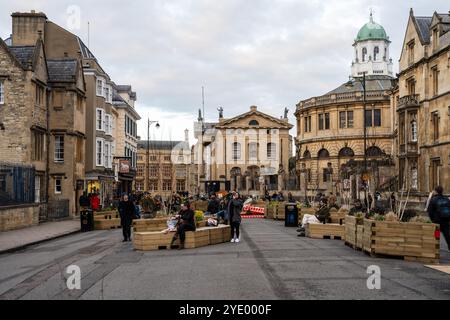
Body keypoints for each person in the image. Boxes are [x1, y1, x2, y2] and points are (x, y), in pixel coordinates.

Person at [427, 186, 450, 251]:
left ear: (436, 191)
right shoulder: (446, 199)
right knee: (447, 236)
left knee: (436, 235)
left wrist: (433, 220)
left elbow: (430, 211)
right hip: (445, 221)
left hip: (437, 222)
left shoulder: (433, 199)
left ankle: (436, 249)